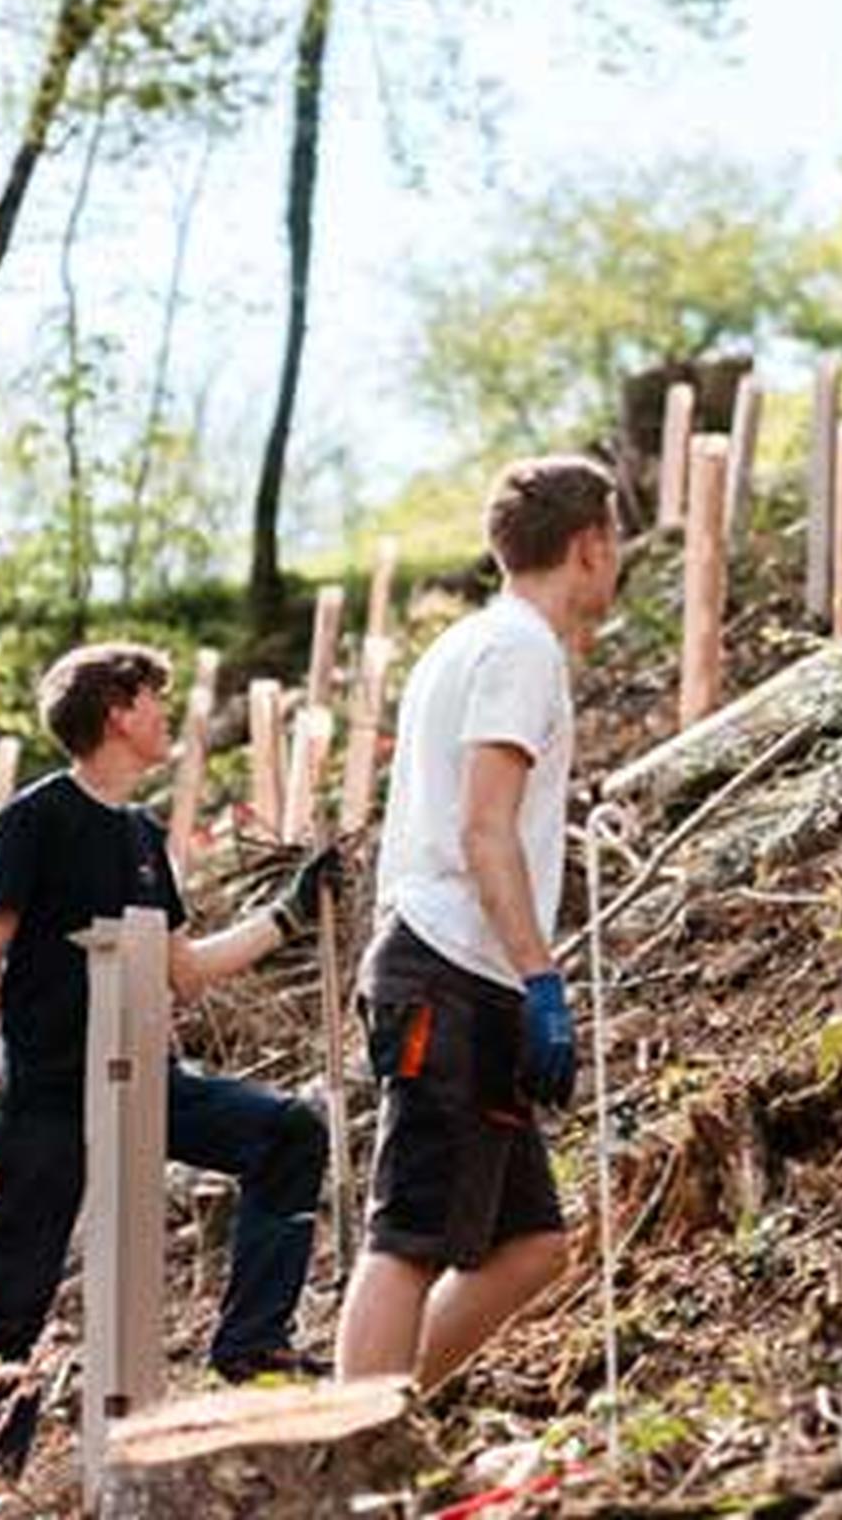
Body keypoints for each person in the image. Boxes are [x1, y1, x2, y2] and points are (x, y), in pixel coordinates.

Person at [0, 642, 338, 1472]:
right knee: (7, 1305)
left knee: (289, 1136)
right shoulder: (34, 818)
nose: (165, 715)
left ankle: (253, 1345)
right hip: (46, 1095)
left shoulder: (144, 838)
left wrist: (289, 915)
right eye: (153, 700)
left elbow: (184, 972)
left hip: (144, 1081)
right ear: (117, 712)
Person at [333, 454, 620, 1391]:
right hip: (452, 967)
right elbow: (484, 826)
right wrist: (544, 978)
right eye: (613, 543)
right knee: (410, 1236)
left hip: (472, 972)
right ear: (588, 546)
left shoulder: (477, 644)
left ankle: (388, 1411)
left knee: (533, 1244)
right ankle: (349, 1466)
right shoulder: (519, 652)